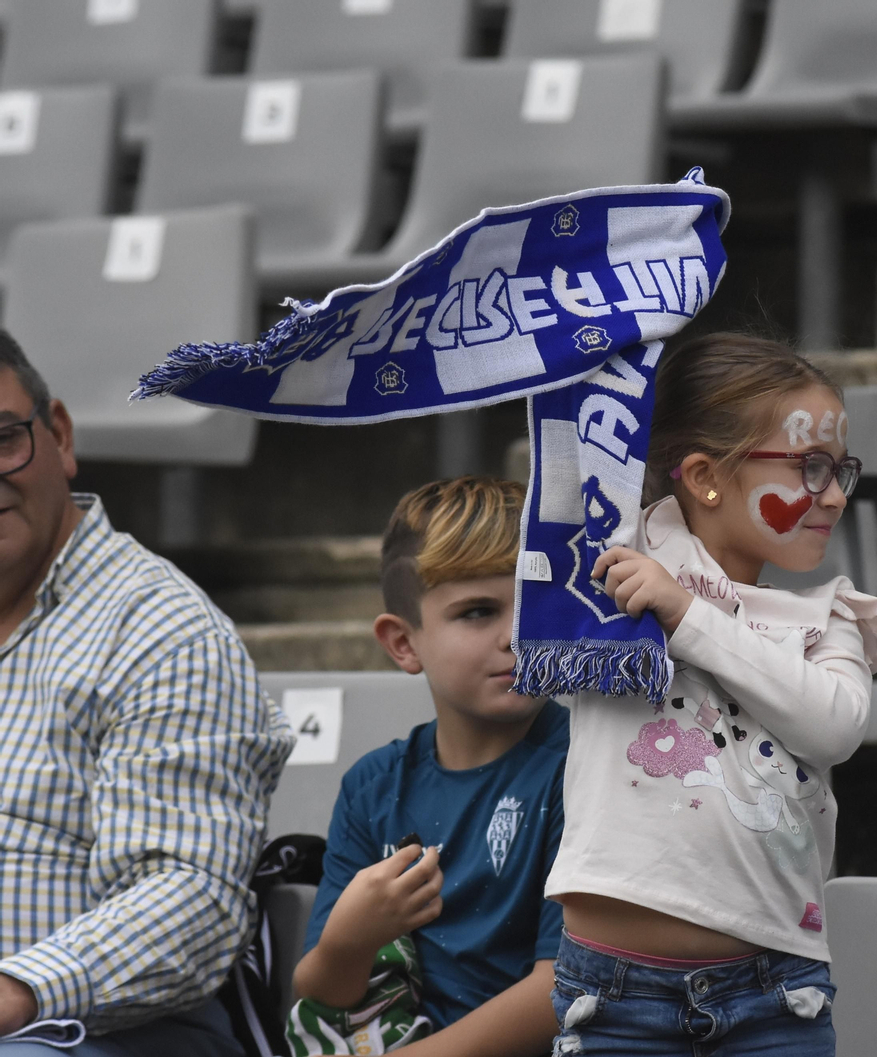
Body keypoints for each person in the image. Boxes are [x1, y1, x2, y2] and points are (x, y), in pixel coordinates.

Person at [543, 333, 877, 1057]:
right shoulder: (614, 569)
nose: (834, 495)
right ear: (704, 476)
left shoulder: (832, 616)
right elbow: (570, 457)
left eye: (841, 471)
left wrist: (688, 616)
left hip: (774, 995)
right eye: (810, 468)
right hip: (612, 995)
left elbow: (833, 726)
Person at [0, 330, 295, 1054]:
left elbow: (189, 896)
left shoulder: (161, 627)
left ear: (60, 435)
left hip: (95, 1034)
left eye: (3, 438)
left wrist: (16, 990)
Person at [292, 477, 567, 1056]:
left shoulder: (585, 765)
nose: (518, 635)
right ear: (403, 643)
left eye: (538, 602)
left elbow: (563, 988)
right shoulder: (374, 787)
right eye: (477, 612)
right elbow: (322, 993)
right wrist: (350, 939)